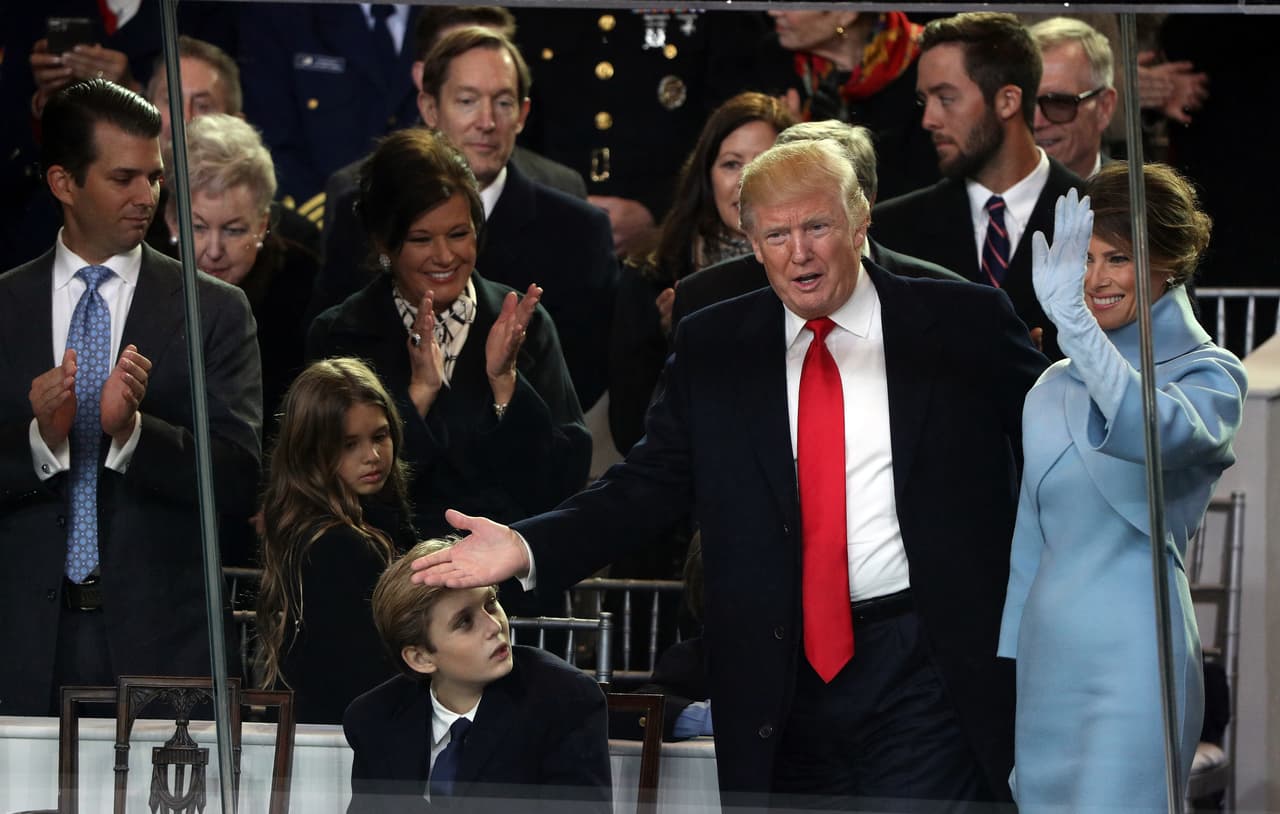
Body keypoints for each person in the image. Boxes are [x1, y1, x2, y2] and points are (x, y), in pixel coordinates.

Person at [411, 139, 1049, 807]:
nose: (798, 251)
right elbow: (646, 485)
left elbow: (1062, 445)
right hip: (777, 675)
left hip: (926, 660)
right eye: (775, 234)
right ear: (751, 242)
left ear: (860, 222)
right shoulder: (715, 345)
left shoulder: (960, 323)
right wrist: (526, 544)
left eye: (817, 227)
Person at [0, 79, 262, 716]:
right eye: (124, 179)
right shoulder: (6, 306)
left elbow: (240, 479)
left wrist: (134, 434)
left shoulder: (215, 311)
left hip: (165, 651)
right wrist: (41, 439)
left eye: (154, 177)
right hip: (21, 646)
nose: (147, 198)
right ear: (64, 183)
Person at [998, 167, 1247, 810]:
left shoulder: (1209, 375)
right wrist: (1013, 670)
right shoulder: (1049, 386)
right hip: (1048, 657)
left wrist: (1078, 334)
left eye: (1119, 258)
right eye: (1083, 258)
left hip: (1138, 651)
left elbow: (1154, 432)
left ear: (1168, 265)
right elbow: (1031, 544)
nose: (1096, 279)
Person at [313, 26, 618, 413]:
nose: (487, 121)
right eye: (468, 101)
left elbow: (581, 377)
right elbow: (332, 360)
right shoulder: (360, 213)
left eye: (503, 102)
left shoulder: (580, 230)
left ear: (523, 114)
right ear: (429, 109)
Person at [307, 128, 590, 543]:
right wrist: (416, 398)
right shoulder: (339, 335)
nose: (444, 256)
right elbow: (326, 487)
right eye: (421, 239)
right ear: (384, 242)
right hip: (384, 581)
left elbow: (562, 481)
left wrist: (505, 385)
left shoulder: (523, 327)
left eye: (459, 234)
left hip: (501, 589)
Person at [871, 12, 1085, 360]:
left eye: (946, 98)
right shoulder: (891, 230)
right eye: (926, 101)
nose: (929, 120)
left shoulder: (1104, 217)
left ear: (1008, 101)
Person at [344, 537, 612, 812]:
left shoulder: (564, 700)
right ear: (421, 658)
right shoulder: (374, 719)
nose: (494, 625)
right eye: (465, 622)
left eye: (491, 603)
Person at [609, 90, 794, 455]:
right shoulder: (650, 273)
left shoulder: (811, 267)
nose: (747, 180)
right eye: (731, 164)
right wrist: (676, 339)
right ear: (706, 176)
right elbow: (630, 430)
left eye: (765, 161)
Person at [670, 119, 964, 335]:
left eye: (817, 224)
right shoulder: (706, 300)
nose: (799, 253)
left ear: (864, 207)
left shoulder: (949, 302)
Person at [256, 358, 416, 725]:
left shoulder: (375, 520)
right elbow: (369, 675)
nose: (372, 456)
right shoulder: (337, 546)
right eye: (349, 445)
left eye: (380, 436)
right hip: (342, 738)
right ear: (312, 450)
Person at [161, 113, 318, 432]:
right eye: (198, 228)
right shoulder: (144, 283)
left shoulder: (304, 285)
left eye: (233, 231)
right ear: (172, 221)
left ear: (262, 225)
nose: (214, 250)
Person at [143, 36, 322, 264]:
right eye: (170, 101)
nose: (183, 119)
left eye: (203, 105)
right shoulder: (133, 232)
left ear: (237, 123)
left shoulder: (296, 245)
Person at [237, 3, 422, 213]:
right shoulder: (282, 15)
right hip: (318, 220)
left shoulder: (450, 14)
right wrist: (329, 216)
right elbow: (271, 137)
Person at [769, 9, 939, 202]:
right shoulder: (772, 61)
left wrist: (845, 140)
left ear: (847, 13)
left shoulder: (930, 61)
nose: (773, 11)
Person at [1029, 18, 1118, 180]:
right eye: (1025, 102)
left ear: (1104, 108)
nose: (1036, 122)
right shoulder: (982, 198)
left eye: (1058, 103)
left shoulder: (1137, 199)